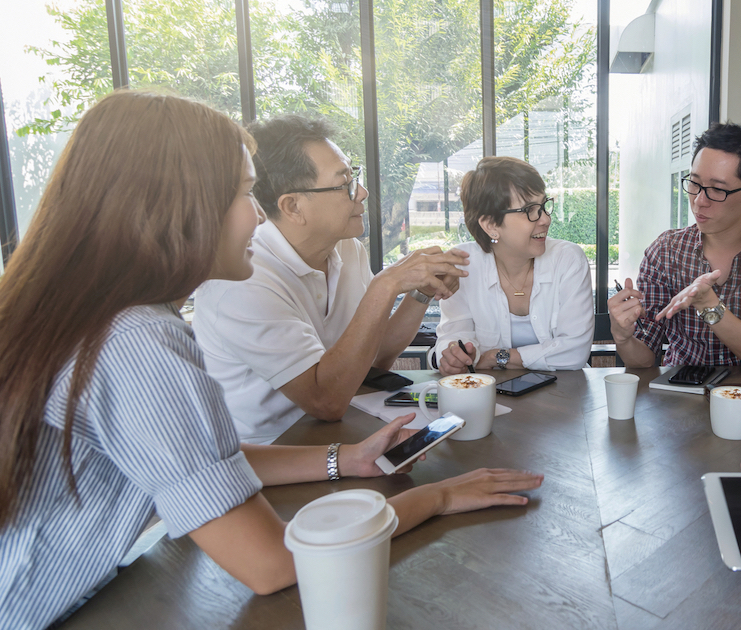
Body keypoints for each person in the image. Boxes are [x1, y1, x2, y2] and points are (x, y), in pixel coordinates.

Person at [0, 91, 542, 630]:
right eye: (242, 193)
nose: (257, 212)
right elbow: (272, 564)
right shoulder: (137, 343)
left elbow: (202, 459)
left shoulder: (94, 317)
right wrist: (439, 496)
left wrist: (345, 459)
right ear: (178, 207)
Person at [193, 115, 469, 444]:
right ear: (293, 206)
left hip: (340, 437)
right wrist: (385, 285)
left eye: (356, 177)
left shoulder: (347, 249)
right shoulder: (243, 278)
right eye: (345, 184)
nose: (362, 192)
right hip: (268, 459)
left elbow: (373, 358)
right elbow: (325, 401)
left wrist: (421, 294)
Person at [608, 122, 741, 372]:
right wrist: (623, 337)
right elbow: (645, 358)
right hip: (679, 395)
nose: (699, 201)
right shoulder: (666, 251)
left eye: (717, 190)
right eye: (695, 183)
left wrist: (708, 305)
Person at [435, 156, 594, 374]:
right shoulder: (463, 266)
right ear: (491, 225)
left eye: (543, 205)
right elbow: (453, 337)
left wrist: (495, 356)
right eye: (530, 210)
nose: (545, 219)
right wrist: (455, 354)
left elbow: (574, 353)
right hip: (489, 395)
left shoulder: (568, 260)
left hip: (565, 394)